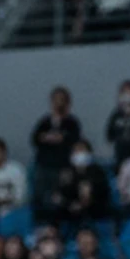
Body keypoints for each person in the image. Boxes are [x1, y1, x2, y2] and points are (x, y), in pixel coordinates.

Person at [30, 87, 83, 216]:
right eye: (56, 100)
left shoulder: (72, 123)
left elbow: (74, 141)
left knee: (59, 200)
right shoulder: (45, 122)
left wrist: (58, 138)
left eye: (62, 100)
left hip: (62, 166)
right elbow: (35, 139)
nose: (59, 103)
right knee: (40, 198)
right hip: (44, 166)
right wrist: (48, 138)